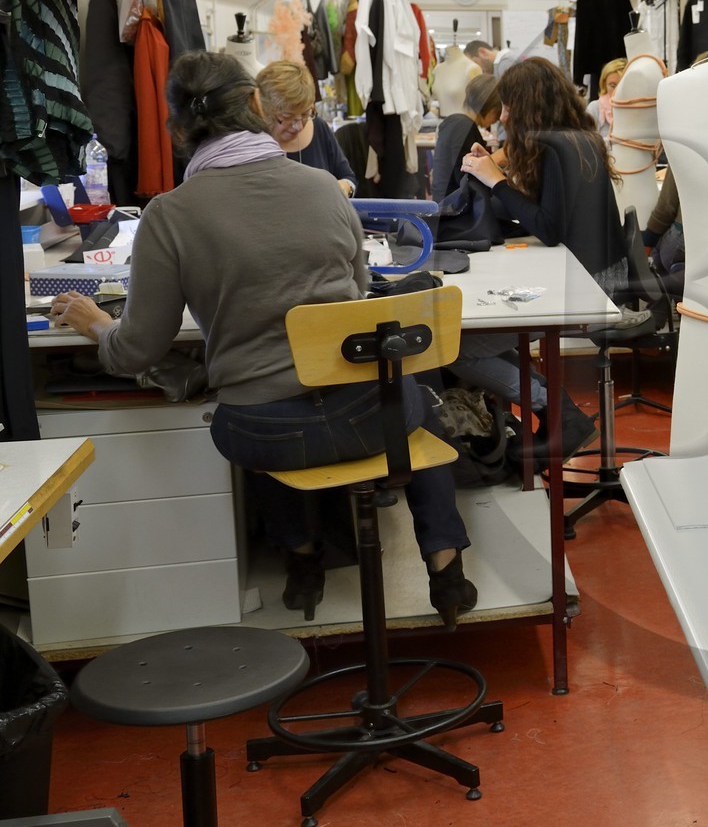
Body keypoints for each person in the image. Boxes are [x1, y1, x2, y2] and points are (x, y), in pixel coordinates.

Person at [50, 52, 479, 629]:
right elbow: (355, 300)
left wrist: (94, 322)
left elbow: (137, 351)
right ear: (256, 105)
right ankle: (446, 568)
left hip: (265, 435)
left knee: (260, 406)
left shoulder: (168, 216)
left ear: (175, 128)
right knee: (409, 394)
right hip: (368, 419)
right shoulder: (326, 190)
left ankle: (303, 560)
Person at [455, 57, 635, 461]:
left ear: (529, 104)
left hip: (589, 286)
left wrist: (495, 180)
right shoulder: (576, 139)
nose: (503, 115)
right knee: (490, 340)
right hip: (600, 274)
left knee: (459, 346)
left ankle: (556, 410)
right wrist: (501, 166)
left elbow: (549, 227)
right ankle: (557, 412)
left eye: (508, 106)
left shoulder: (557, 151)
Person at [256, 60, 357, 196]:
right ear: (265, 112)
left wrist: (344, 188)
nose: (298, 126)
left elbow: (349, 178)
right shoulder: (251, 141)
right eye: (287, 117)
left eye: (306, 114)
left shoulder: (319, 128)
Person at [431, 73, 500, 202]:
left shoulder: (452, 122)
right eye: (497, 114)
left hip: (443, 201)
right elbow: (464, 177)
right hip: (453, 208)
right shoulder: (465, 127)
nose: (497, 119)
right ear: (491, 109)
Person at [585, 57, 626, 138]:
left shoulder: (638, 109)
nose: (617, 91)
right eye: (613, 86)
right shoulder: (594, 108)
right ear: (604, 85)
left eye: (622, 85)